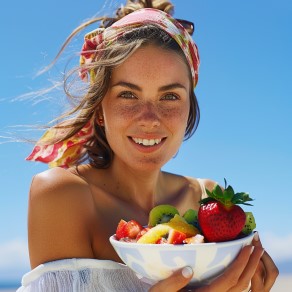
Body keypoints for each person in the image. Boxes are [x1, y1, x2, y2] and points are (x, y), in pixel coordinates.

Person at [17, 0, 278, 291]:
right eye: (128, 95)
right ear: (99, 110)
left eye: (169, 97)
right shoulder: (63, 194)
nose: (150, 119)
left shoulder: (207, 198)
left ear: (189, 108)